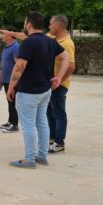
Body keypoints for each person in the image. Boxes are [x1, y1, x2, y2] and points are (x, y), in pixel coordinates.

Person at [1, 12, 69, 169]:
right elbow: (66, 58)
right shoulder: (49, 41)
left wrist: (11, 87)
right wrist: (59, 77)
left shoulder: (29, 43)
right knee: (42, 122)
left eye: (25, 23)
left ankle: (30, 159)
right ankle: (42, 156)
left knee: (29, 125)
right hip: (45, 90)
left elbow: (19, 66)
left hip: (29, 92)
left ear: (29, 24)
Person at [46, 15, 75, 154]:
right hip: (50, 84)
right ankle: (51, 139)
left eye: (51, 24)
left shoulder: (66, 43)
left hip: (59, 85)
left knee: (58, 113)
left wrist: (59, 80)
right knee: (49, 112)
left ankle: (59, 143)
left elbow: (70, 66)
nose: (49, 26)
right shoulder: (53, 39)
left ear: (58, 25)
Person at [0, 27, 19, 133]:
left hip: (13, 81)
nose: (1, 36)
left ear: (10, 35)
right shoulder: (6, 47)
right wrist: (0, 77)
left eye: (3, 34)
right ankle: (10, 121)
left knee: (13, 102)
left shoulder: (16, 47)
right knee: (9, 102)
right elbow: (4, 64)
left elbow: (18, 65)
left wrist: (14, 82)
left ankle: (14, 124)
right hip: (5, 80)